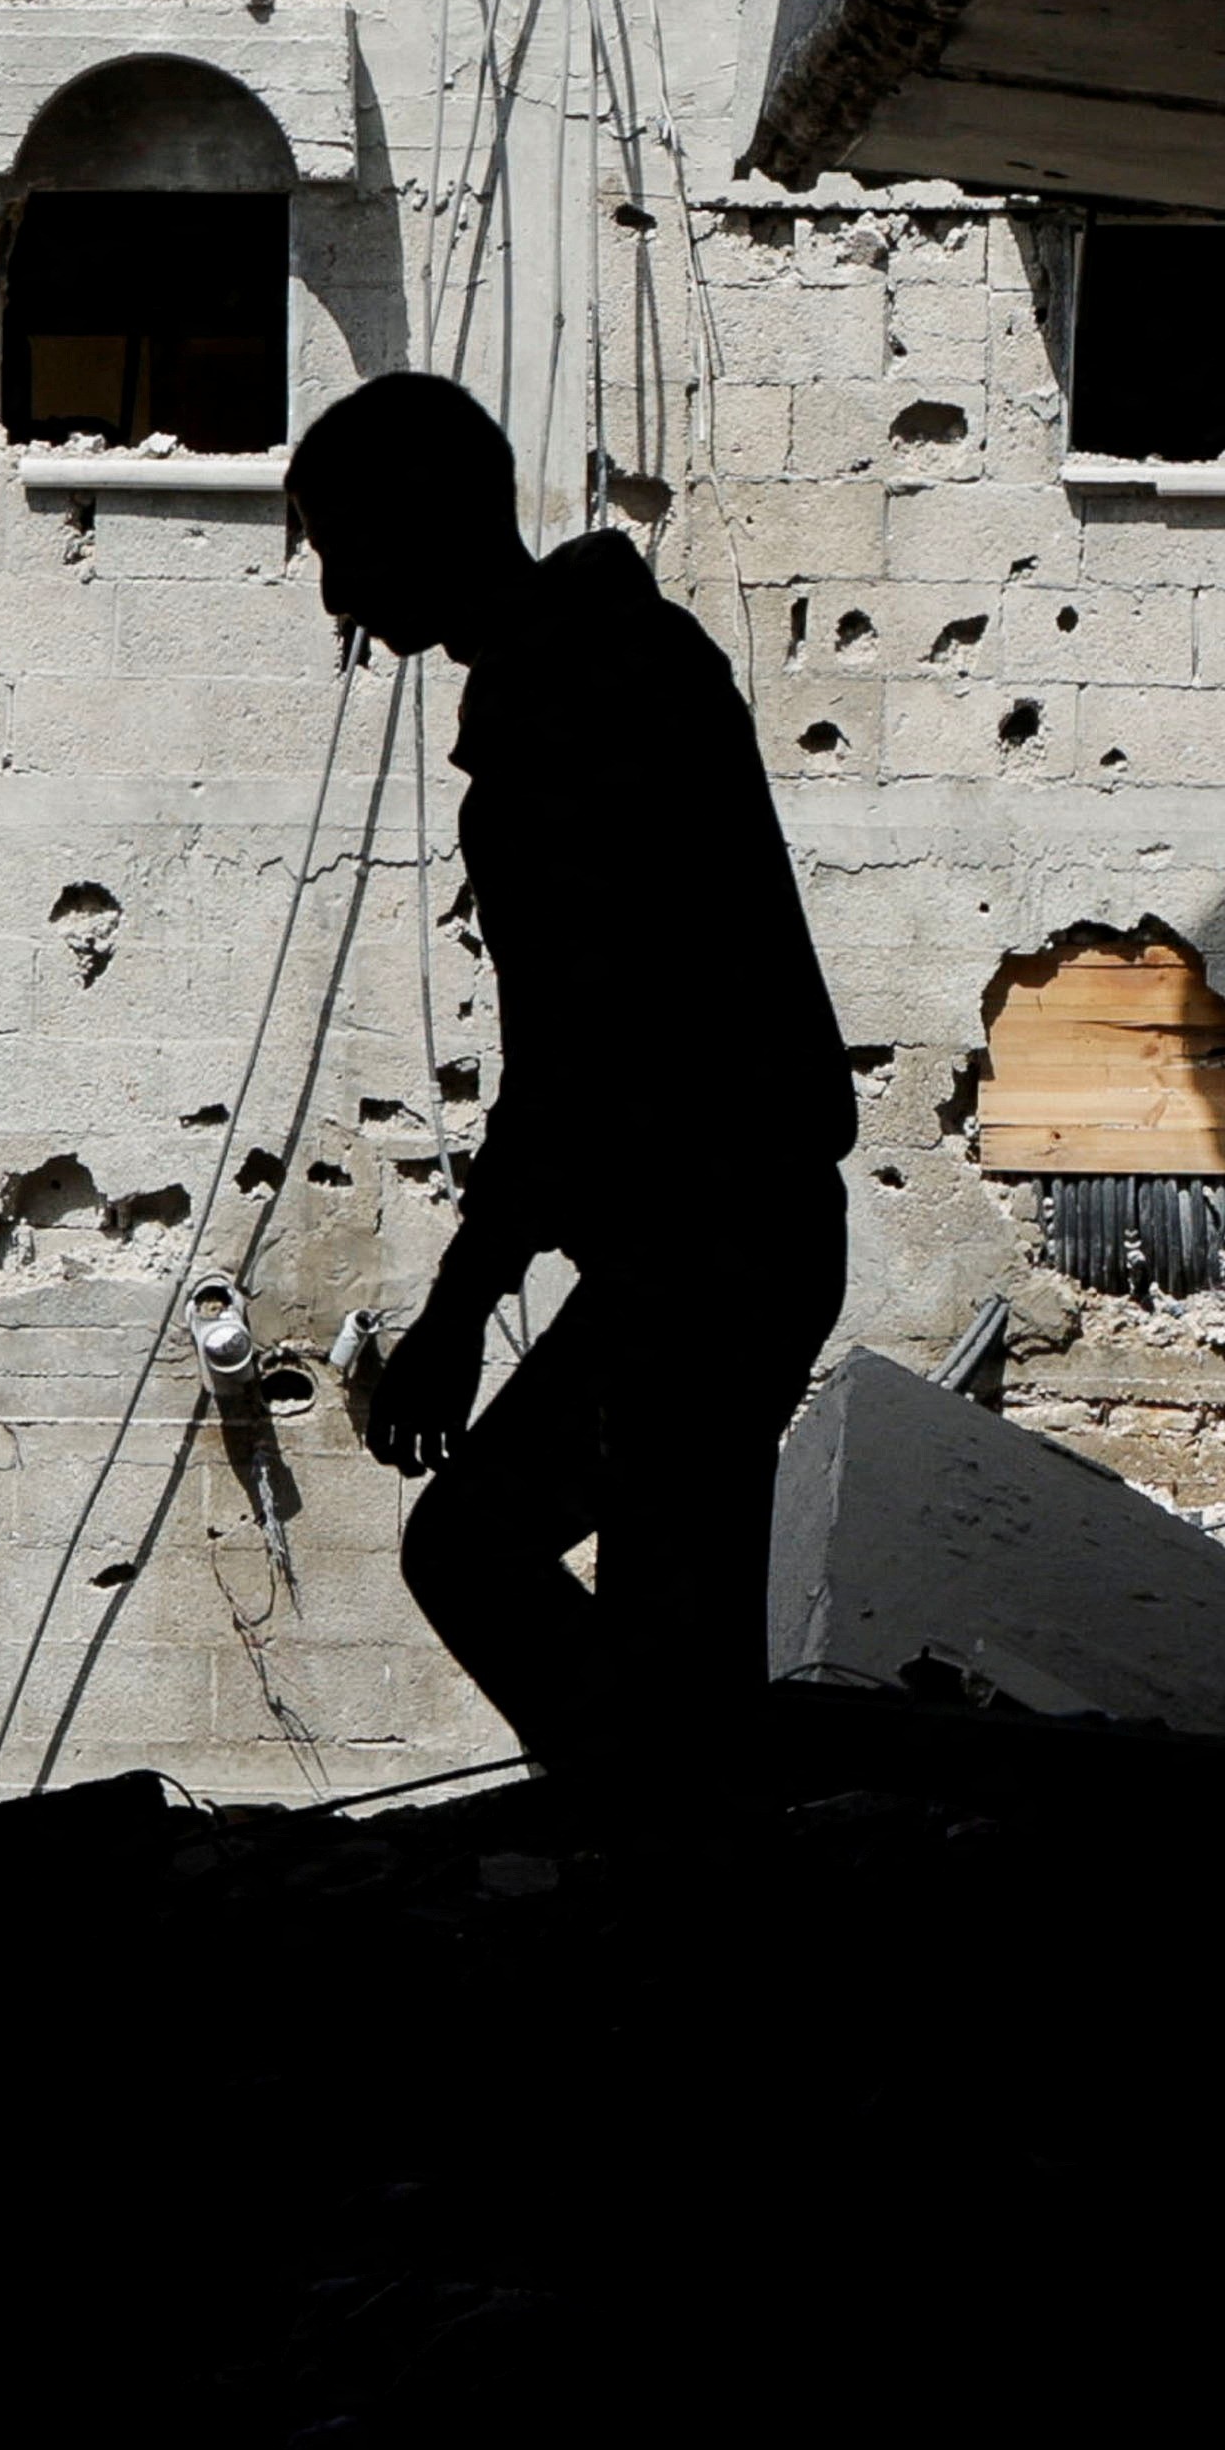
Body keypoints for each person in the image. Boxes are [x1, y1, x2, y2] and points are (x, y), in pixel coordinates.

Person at [293, 371, 852, 1785]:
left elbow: (577, 1057)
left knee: (477, 1549)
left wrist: (456, 1310)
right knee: (681, 1633)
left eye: (344, 550)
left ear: (419, 526)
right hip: (743, 1233)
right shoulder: (628, 660)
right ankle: (679, 1826)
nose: (337, 597)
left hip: (705, 1253)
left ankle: (660, 1829)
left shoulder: (558, 723)